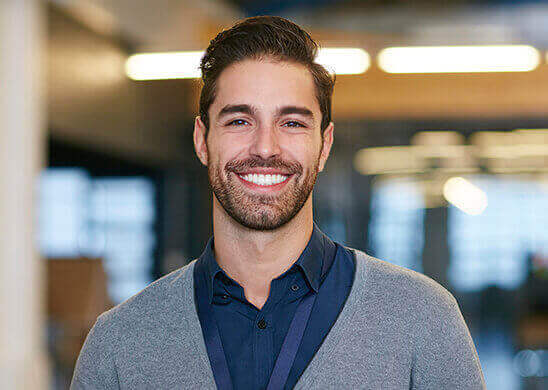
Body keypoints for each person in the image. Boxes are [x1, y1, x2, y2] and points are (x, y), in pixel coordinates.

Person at [71, 16, 486, 389]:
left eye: (291, 122)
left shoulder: (422, 318)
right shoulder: (119, 344)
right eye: (239, 120)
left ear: (324, 145)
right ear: (202, 140)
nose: (265, 147)